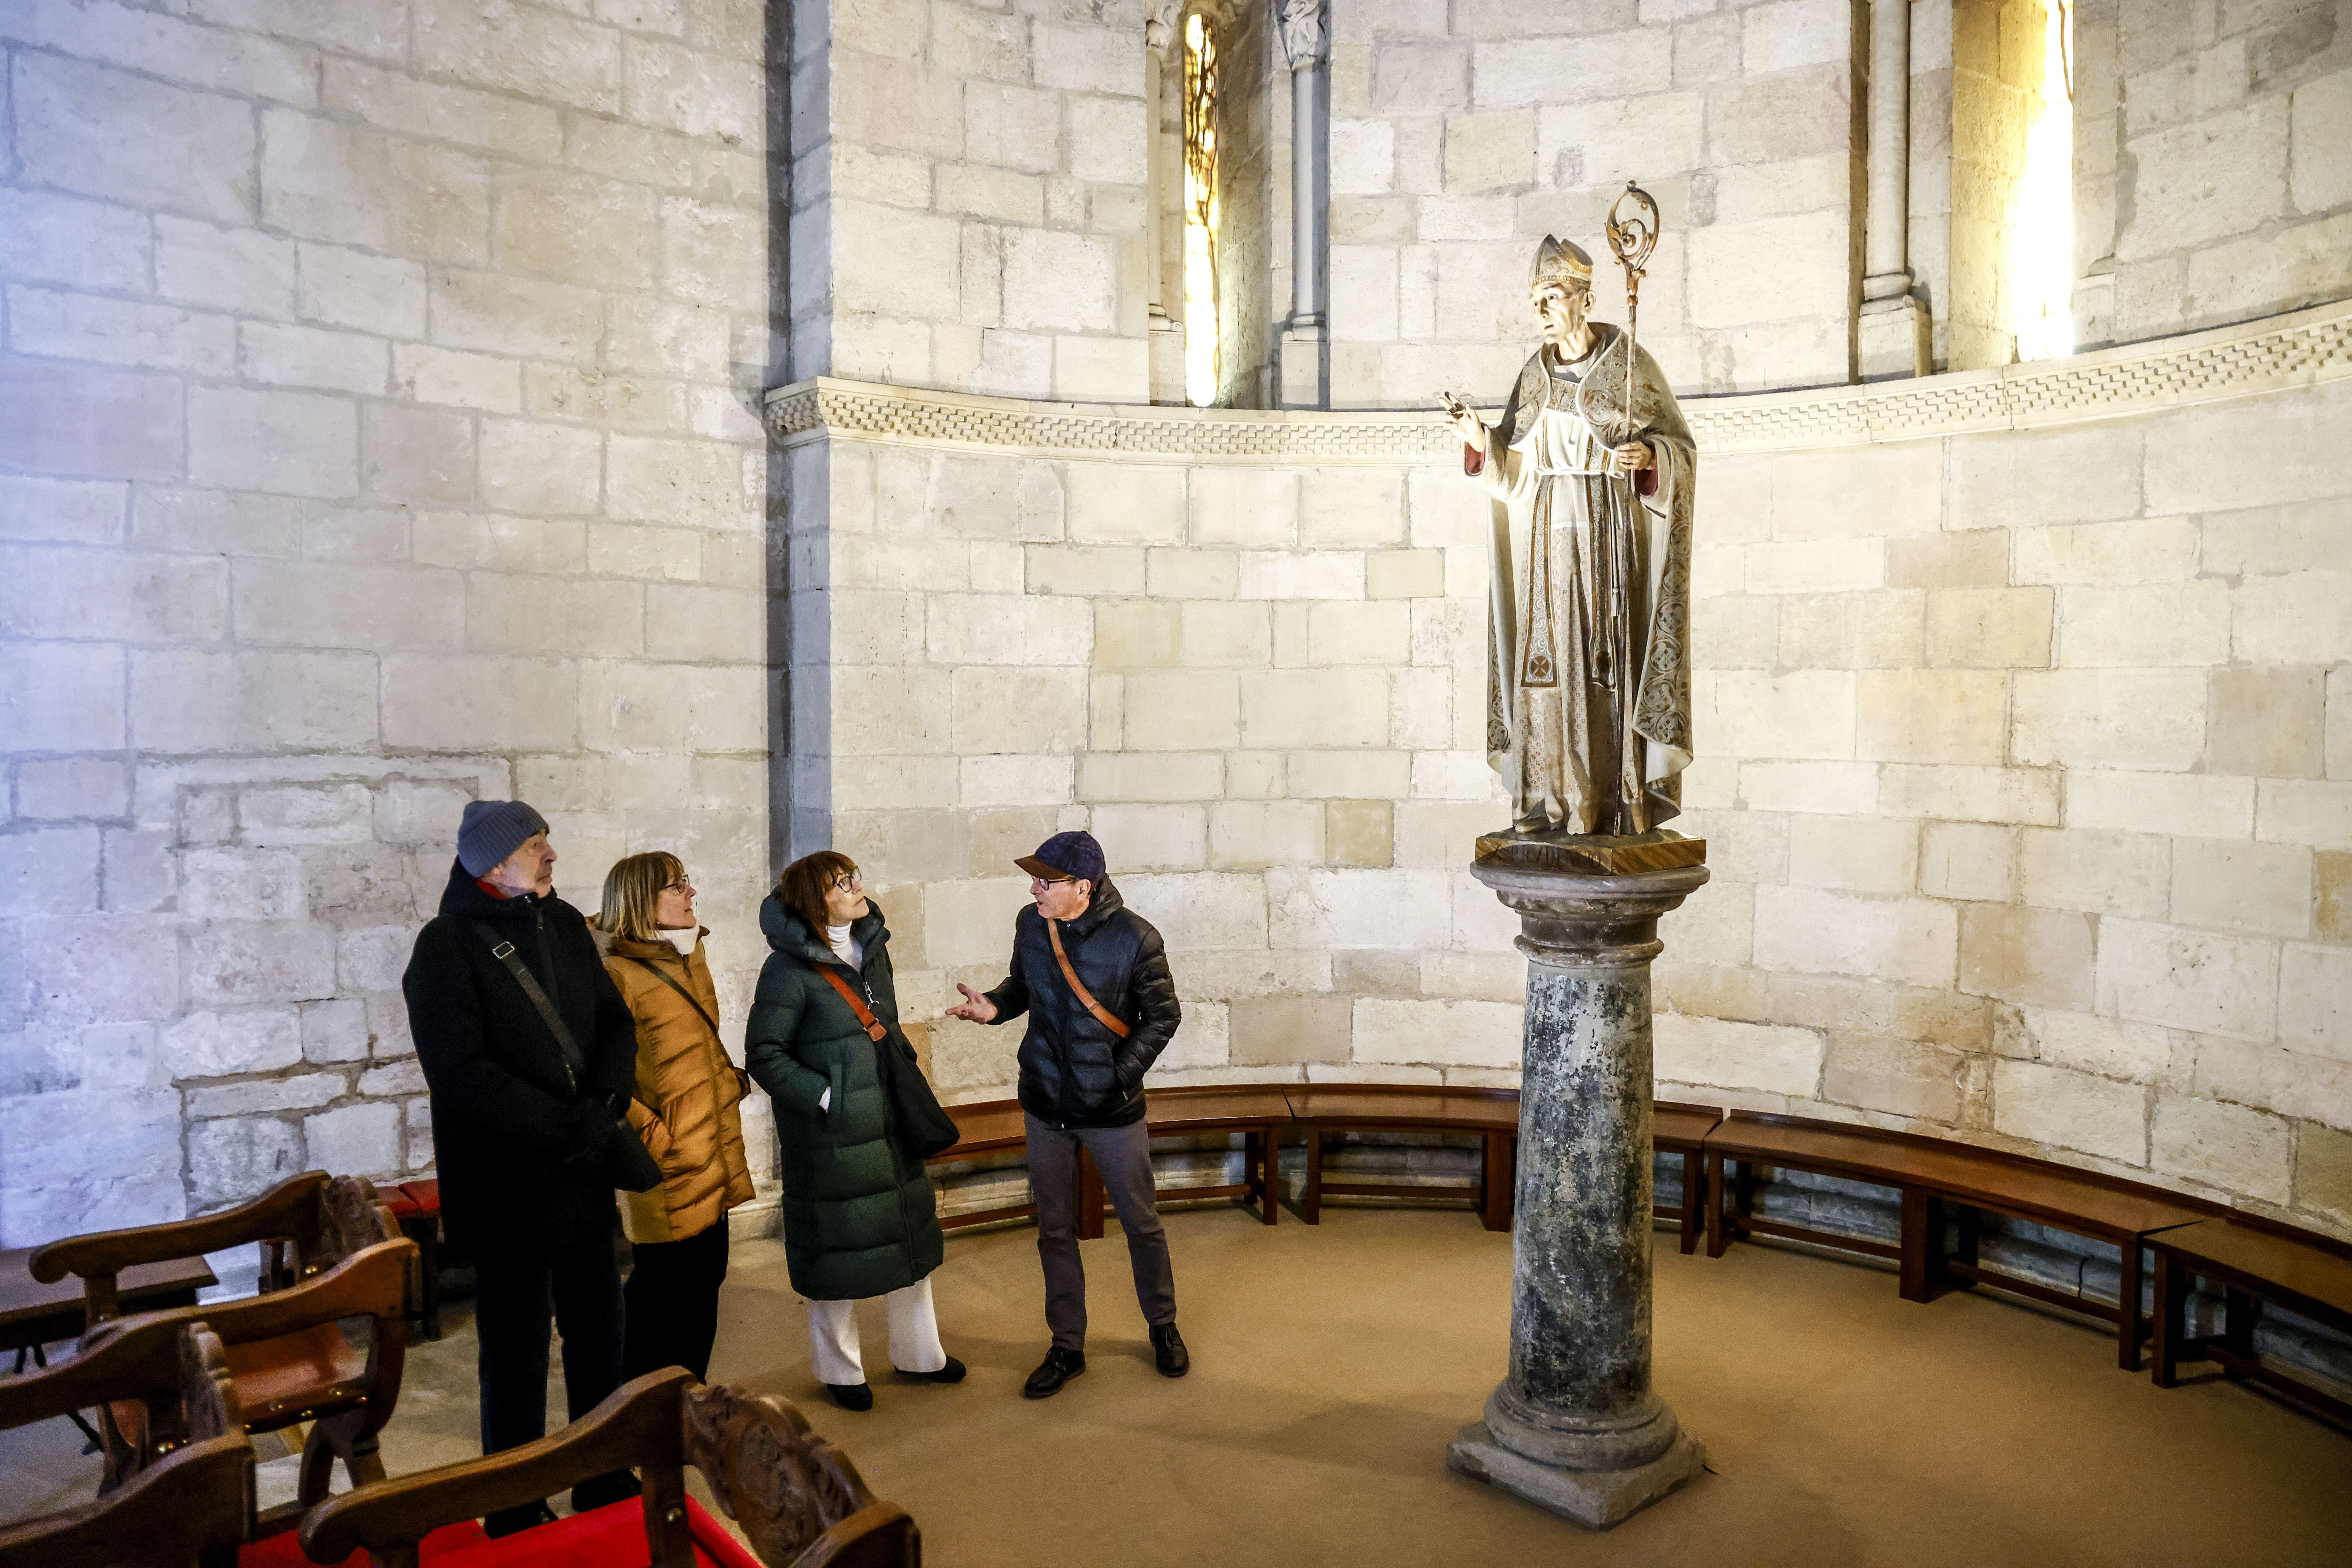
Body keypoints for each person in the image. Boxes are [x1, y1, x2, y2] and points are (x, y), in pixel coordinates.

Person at [401, 801, 641, 1536]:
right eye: (538, 844)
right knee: (516, 1348)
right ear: (493, 862)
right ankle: (513, 1500)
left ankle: (604, 1475)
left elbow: (614, 1023)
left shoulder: (564, 924)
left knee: (601, 1331)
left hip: (584, 1170)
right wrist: (568, 1126)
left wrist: (605, 1103)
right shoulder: (445, 948)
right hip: (507, 1184)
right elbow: (462, 1072)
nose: (552, 856)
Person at [945, 830, 1186, 1398]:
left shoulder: (1137, 939)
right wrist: (995, 1006)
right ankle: (1066, 1345)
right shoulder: (1033, 925)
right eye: (1033, 879)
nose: (1034, 890)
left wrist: (1118, 1075)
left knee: (1141, 1223)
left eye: (1045, 882)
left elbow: (1163, 1018)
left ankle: (1163, 1326)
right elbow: (1022, 988)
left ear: (1083, 887)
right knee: (1054, 1231)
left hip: (1112, 1111)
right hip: (1046, 1103)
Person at [744, 850, 963, 1411]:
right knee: (835, 1249)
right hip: (833, 1136)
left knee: (908, 1235)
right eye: (843, 883)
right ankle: (840, 1371)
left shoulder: (873, 950)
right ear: (817, 902)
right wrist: (827, 1096)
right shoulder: (788, 971)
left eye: (855, 877)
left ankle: (922, 1355)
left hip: (888, 1120)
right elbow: (765, 1055)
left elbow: (882, 1025)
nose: (857, 887)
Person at [592, 852, 755, 1384]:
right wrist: (658, 1138)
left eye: (688, 881)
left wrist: (727, 1088)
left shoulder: (690, 953)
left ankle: (689, 1407)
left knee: (707, 1282)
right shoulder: (617, 974)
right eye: (677, 886)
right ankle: (640, 1419)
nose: (692, 893)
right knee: (662, 1297)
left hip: (715, 1151)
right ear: (642, 901)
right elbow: (599, 1079)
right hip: (666, 1166)